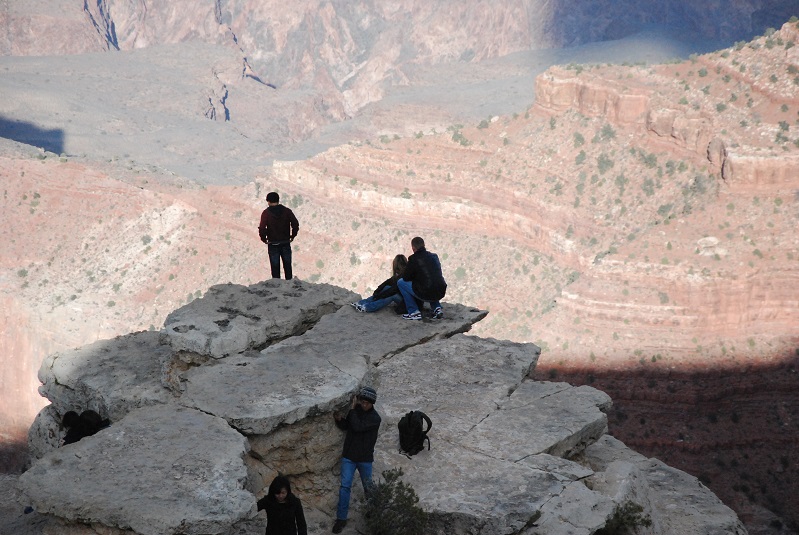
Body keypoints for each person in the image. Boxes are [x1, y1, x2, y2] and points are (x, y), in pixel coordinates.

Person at [332, 386, 381, 533]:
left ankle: (373, 513)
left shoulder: (375, 418)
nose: (364, 405)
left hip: (364, 458)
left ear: (372, 403)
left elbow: (358, 427)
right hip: (349, 457)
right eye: (362, 402)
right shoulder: (357, 412)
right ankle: (341, 519)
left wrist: (352, 410)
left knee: (368, 487)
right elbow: (349, 426)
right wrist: (340, 420)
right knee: (345, 487)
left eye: (366, 403)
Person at [396, 236, 447, 320]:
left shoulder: (413, 259)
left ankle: (414, 312)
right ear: (424, 245)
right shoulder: (434, 256)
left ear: (413, 248)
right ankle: (437, 308)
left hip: (425, 293)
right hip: (441, 290)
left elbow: (406, 278)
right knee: (432, 280)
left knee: (401, 282)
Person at [258, 192, 300, 279]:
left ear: (268, 201)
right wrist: (293, 236)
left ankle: (277, 288)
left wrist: (264, 239)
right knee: (288, 267)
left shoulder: (266, 213)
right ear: (278, 200)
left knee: (275, 268)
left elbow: (262, 228)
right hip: (285, 242)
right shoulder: (287, 211)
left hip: (273, 244)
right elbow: (295, 224)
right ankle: (289, 286)